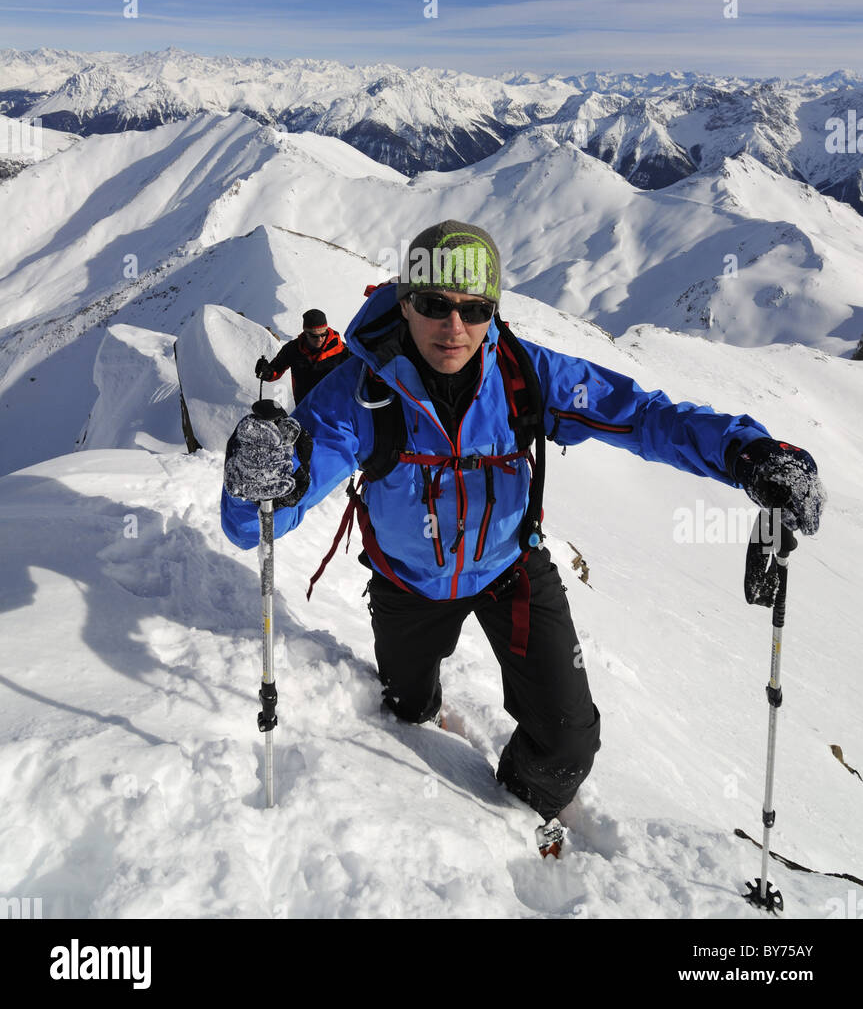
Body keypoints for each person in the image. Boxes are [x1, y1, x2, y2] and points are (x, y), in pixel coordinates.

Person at [223, 220, 825, 847]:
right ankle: (424, 710)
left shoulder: (525, 377)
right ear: (406, 304)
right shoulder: (361, 394)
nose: (453, 326)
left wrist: (748, 454)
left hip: (510, 568)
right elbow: (260, 522)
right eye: (434, 305)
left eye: (474, 309)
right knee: (404, 707)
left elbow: (643, 416)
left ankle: (507, 816)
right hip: (406, 581)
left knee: (569, 739)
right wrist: (253, 482)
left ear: (492, 313)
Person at [255, 308, 350, 407]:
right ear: (305, 332)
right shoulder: (292, 349)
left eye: (323, 334)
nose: (320, 339)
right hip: (303, 411)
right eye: (314, 336)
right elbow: (274, 371)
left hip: (334, 412)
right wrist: (265, 372)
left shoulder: (341, 351)